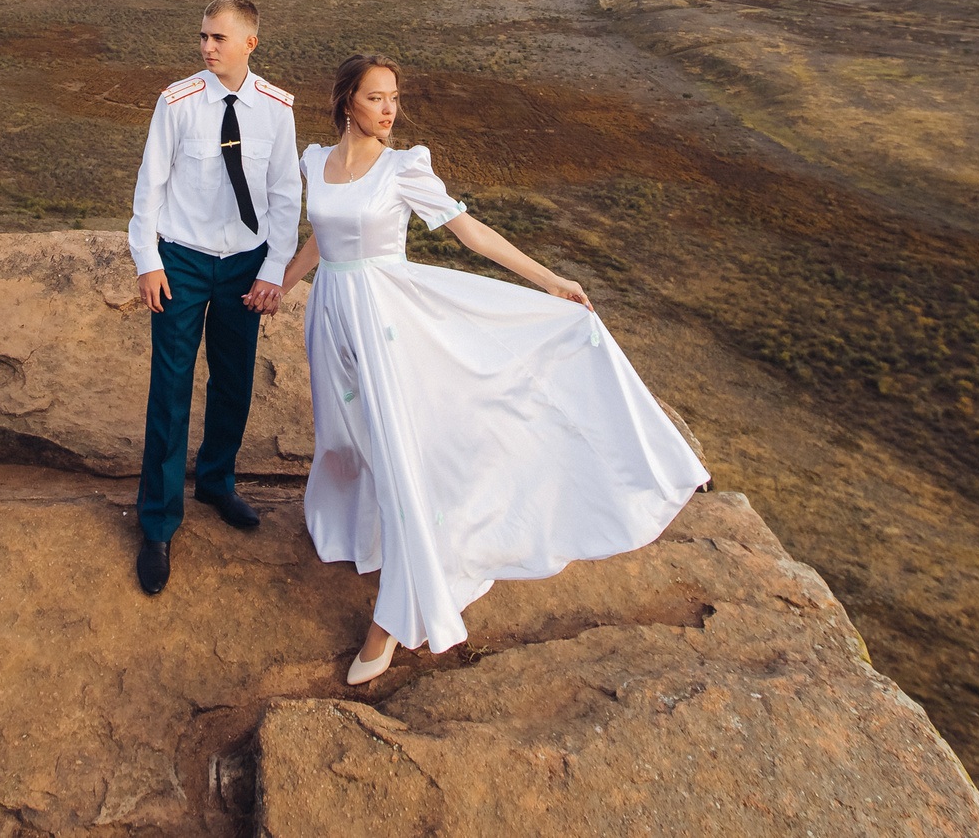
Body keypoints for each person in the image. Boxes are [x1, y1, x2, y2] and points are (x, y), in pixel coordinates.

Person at [244, 53, 707, 683]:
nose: (390, 109)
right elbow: (321, 238)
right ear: (346, 101)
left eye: (394, 98)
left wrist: (550, 282)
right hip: (331, 316)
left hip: (390, 323)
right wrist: (280, 284)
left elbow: (471, 232)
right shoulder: (317, 163)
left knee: (405, 457)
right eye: (377, 98)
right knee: (349, 441)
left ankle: (394, 619)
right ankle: (368, 537)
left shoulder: (403, 170)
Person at [125, 0, 303, 597]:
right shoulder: (176, 102)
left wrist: (274, 268)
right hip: (181, 259)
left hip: (244, 266)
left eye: (218, 38)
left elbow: (284, 194)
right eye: (203, 36)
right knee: (170, 388)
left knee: (234, 378)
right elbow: (149, 186)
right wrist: (148, 261)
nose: (207, 47)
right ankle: (158, 524)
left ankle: (218, 480)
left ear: (249, 43)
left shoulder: (277, 110)